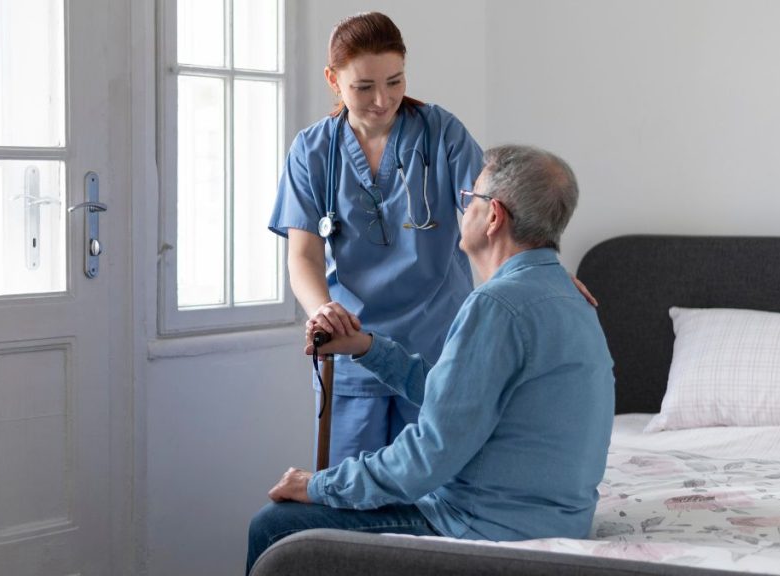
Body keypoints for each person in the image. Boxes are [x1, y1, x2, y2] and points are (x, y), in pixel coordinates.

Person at [247, 145, 616, 573]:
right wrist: (367, 348)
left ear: (493, 216)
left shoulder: (497, 305)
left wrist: (319, 485)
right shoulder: (572, 298)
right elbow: (458, 398)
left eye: (470, 198)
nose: (464, 209)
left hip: (487, 528)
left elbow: (427, 458)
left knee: (273, 526)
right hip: (556, 521)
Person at [268, 12, 486, 466]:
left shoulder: (442, 133)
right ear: (333, 80)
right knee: (349, 492)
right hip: (351, 346)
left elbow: (491, 221)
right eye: (364, 87)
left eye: (395, 81)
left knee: (432, 491)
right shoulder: (312, 151)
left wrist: (539, 271)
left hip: (435, 347)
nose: (383, 100)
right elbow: (303, 256)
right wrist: (321, 309)